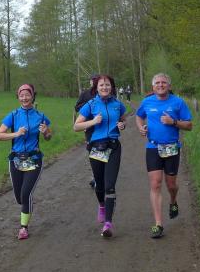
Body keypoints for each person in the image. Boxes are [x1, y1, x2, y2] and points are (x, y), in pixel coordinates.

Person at [135, 73, 193, 239]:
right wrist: (141, 127)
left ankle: (173, 201)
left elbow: (189, 125)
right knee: (155, 184)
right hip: (153, 147)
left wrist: (173, 122)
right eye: (157, 83)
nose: (160, 85)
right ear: (153, 87)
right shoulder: (147, 101)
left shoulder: (178, 102)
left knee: (171, 185)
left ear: (169, 85)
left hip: (171, 148)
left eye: (164, 82)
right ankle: (158, 224)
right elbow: (139, 116)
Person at [0, 84, 53, 240]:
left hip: (34, 159)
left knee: (26, 193)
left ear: (33, 96)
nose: (24, 98)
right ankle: (26, 205)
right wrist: (16, 133)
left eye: (27, 95)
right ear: (18, 97)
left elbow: (49, 137)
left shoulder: (41, 116)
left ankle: (23, 228)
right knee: (19, 197)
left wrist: (46, 132)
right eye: (21, 95)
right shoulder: (13, 115)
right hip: (16, 159)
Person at [73, 74, 128, 238]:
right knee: (100, 184)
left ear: (112, 87)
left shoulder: (118, 104)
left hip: (113, 146)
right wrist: (93, 122)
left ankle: (108, 224)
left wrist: (122, 125)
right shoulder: (90, 105)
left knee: (110, 185)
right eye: (102, 85)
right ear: (96, 88)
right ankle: (102, 205)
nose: (105, 87)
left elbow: (124, 119)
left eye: (108, 85)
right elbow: (76, 126)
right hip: (96, 147)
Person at [74, 74, 99, 189]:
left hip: (102, 125)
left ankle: (99, 176)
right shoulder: (85, 94)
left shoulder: (102, 92)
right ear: (90, 82)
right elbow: (77, 107)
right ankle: (96, 176)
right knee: (92, 150)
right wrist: (88, 104)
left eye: (96, 80)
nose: (94, 82)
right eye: (92, 80)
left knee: (103, 149)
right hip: (88, 125)